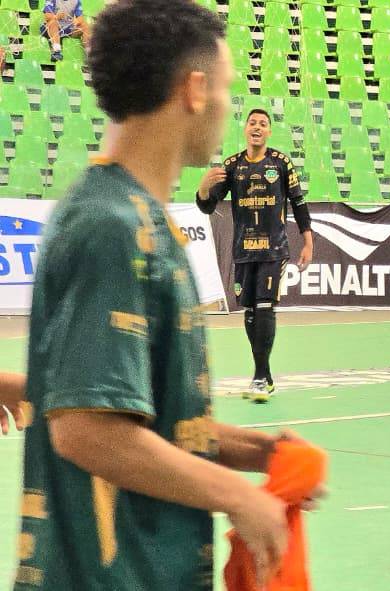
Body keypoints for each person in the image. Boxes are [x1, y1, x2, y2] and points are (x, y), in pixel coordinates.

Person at [17, 2, 320, 588]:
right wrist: (236, 494)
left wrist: (258, 452)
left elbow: (143, 416)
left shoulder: (140, 219)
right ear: (195, 89)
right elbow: (88, 430)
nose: (232, 108)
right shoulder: (108, 225)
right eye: (228, 87)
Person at [197, 108, 313, 403]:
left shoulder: (281, 163)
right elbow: (208, 207)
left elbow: (298, 204)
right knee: (249, 312)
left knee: (264, 307)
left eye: (263, 123)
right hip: (243, 250)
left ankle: (260, 377)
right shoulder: (233, 166)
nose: (257, 127)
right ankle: (264, 374)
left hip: (274, 249)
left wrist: (308, 241)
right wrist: (202, 188)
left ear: (269, 131)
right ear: (245, 129)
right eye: (253, 123)